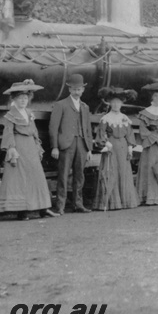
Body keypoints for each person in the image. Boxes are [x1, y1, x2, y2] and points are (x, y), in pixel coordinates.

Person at [0, 79, 60, 220]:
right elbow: (8, 132)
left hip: (31, 147)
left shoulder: (29, 112)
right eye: (20, 98)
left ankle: (44, 208)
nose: (23, 101)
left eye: (25, 98)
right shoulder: (10, 115)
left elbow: (34, 130)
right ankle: (22, 211)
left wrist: (38, 146)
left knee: (37, 177)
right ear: (14, 99)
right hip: (19, 147)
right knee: (20, 179)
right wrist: (11, 148)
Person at [49, 74, 94, 214]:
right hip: (66, 144)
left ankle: (78, 204)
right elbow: (53, 127)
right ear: (69, 89)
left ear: (83, 90)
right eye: (74, 89)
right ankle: (60, 206)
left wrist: (89, 149)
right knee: (63, 175)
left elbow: (87, 128)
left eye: (79, 89)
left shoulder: (85, 107)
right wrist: (54, 147)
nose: (77, 91)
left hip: (81, 143)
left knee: (79, 175)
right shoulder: (60, 105)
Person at [92, 87, 140, 211]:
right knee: (111, 172)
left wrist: (130, 147)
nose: (115, 105)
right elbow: (101, 134)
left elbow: (129, 134)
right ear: (109, 103)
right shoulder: (105, 118)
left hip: (123, 148)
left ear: (122, 104)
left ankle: (125, 202)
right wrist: (106, 143)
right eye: (113, 102)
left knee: (123, 172)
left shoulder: (125, 118)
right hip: (111, 147)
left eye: (118, 102)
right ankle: (111, 203)